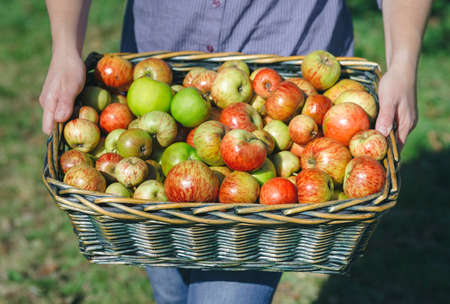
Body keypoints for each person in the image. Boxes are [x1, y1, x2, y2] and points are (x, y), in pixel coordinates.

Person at [39, 1, 432, 303]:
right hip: (156, 72)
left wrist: (403, 64)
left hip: (292, 76)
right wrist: (63, 47)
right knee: (170, 286)